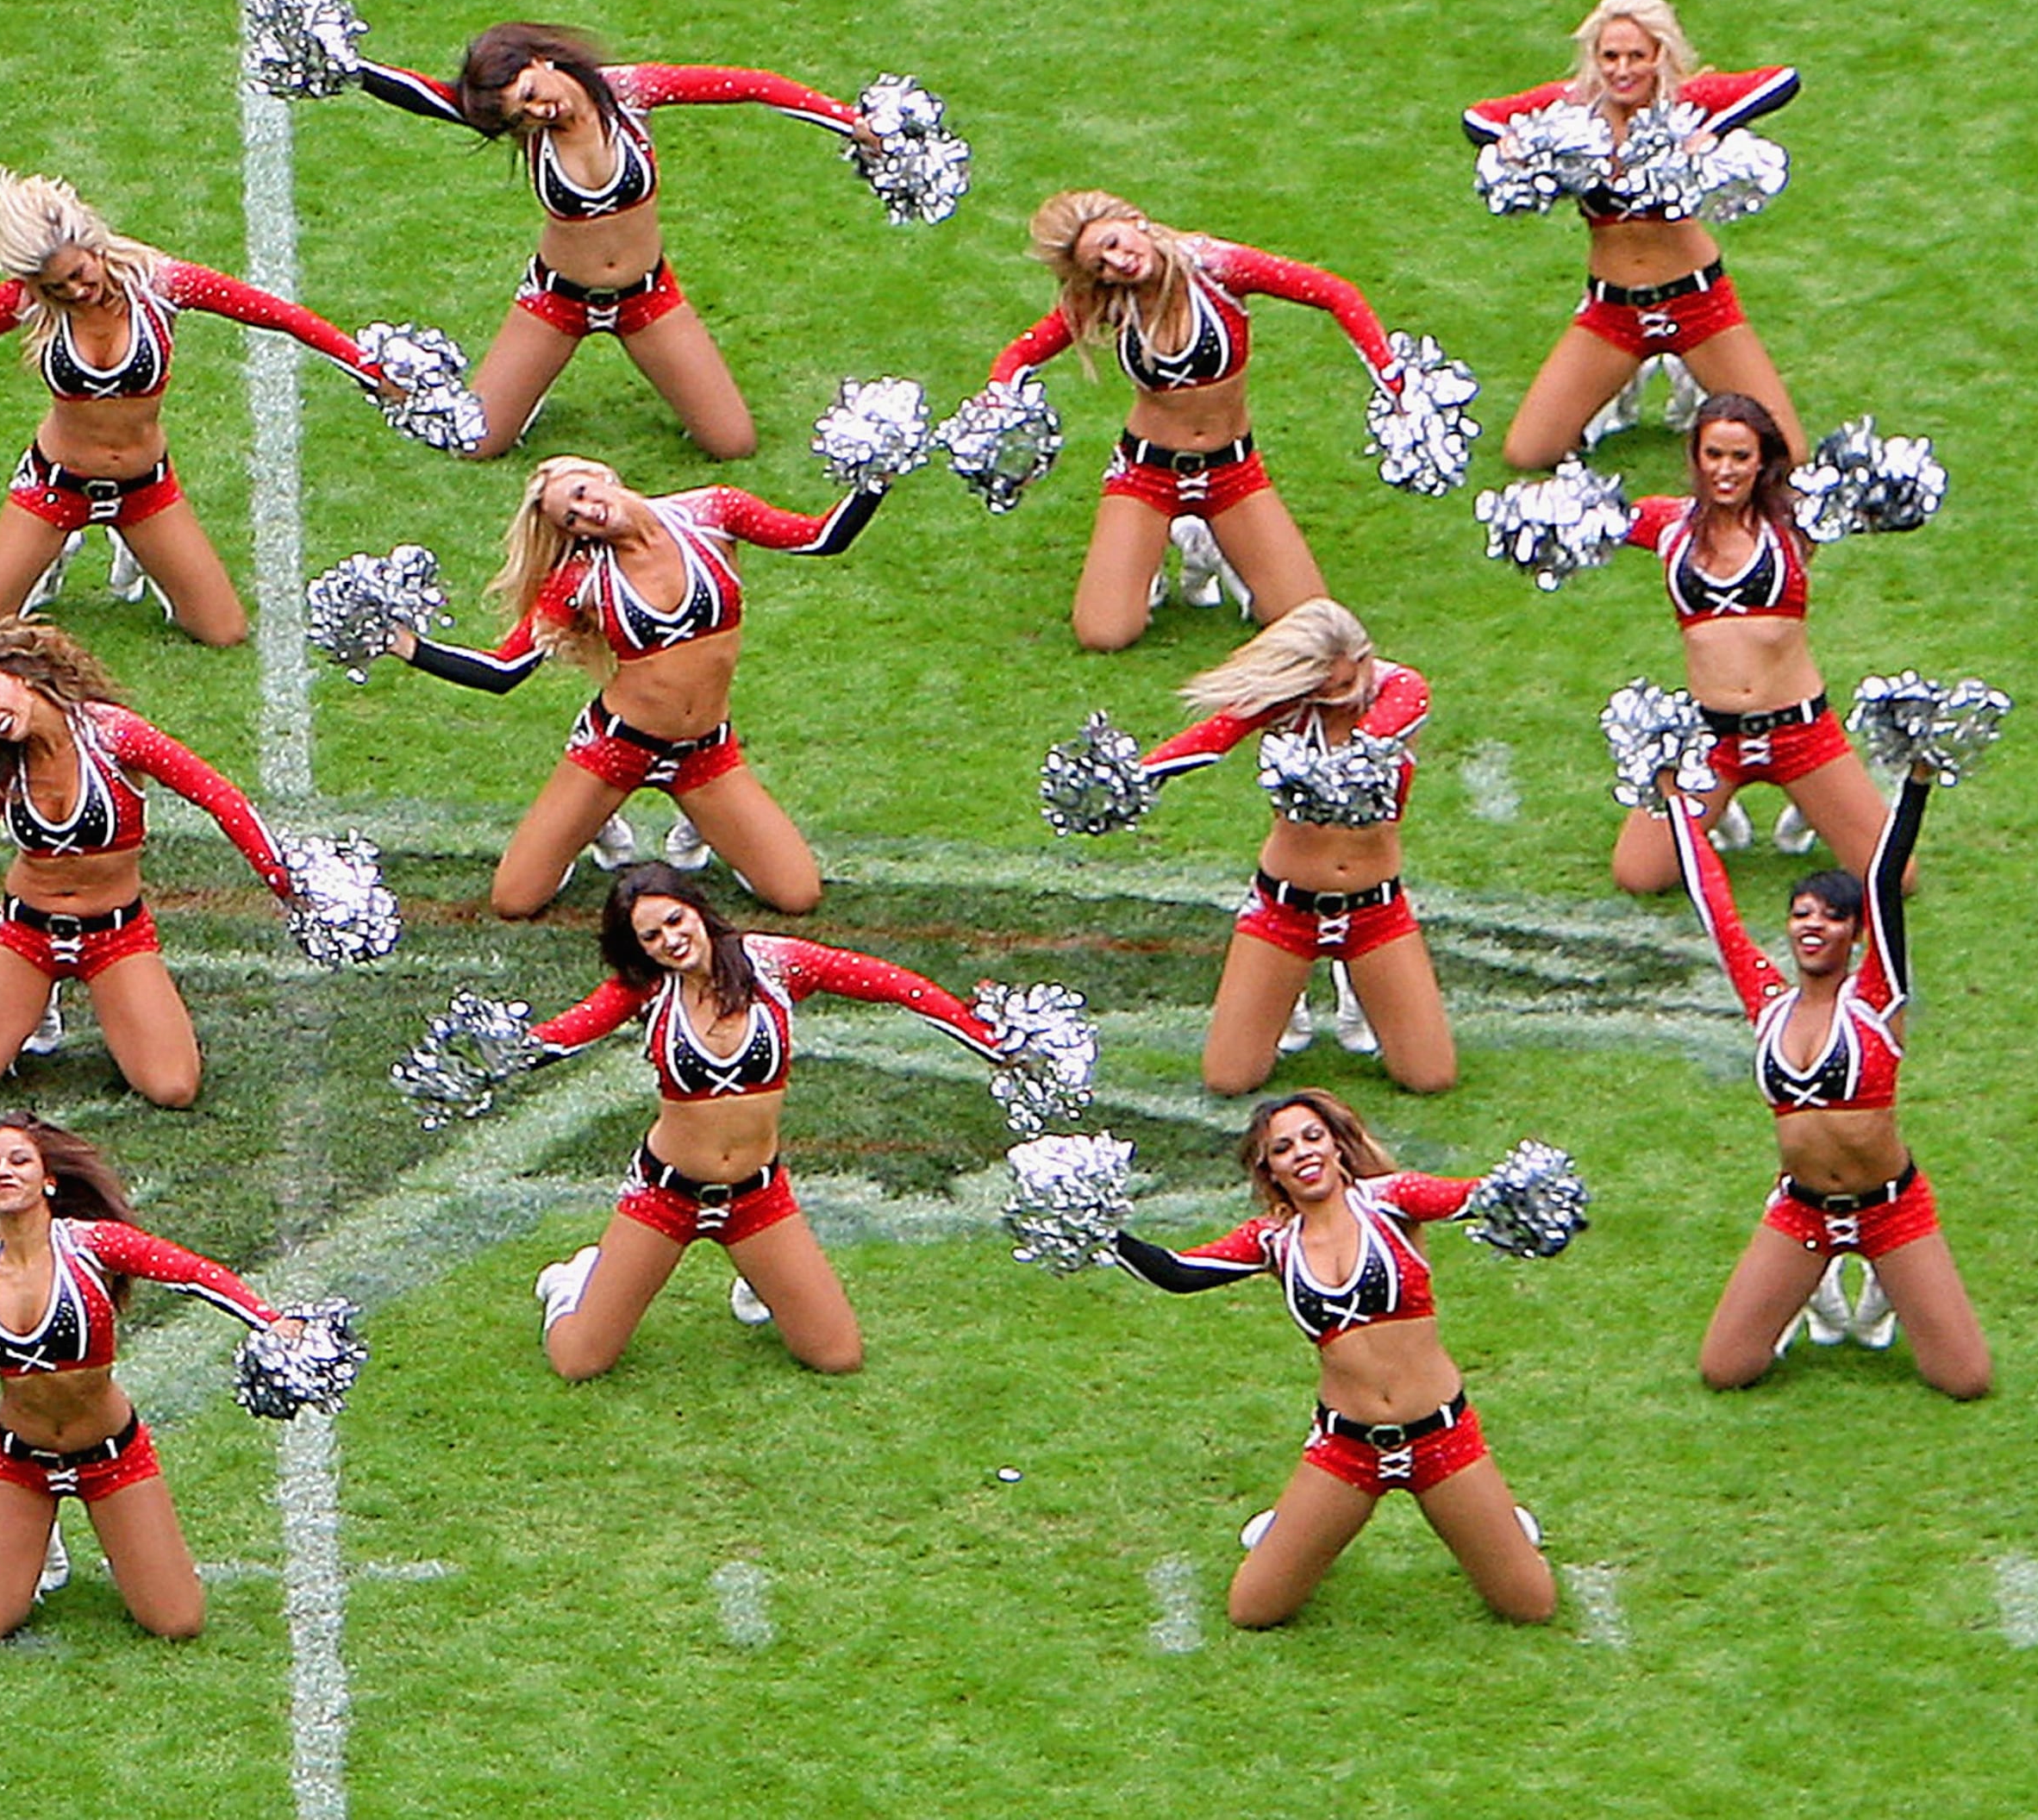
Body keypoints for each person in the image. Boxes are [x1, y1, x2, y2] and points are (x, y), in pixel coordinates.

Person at [0, 168, 397, 646]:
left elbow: (274, 313)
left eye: (77, 275)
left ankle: (128, 541)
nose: (75, 292)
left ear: (91, 242)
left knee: (222, 632)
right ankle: (57, 544)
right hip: (55, 485)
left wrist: (366, 367)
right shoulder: (25, 304)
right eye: (55, 288)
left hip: (146, 487)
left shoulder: (161, 286)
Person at [522, 865, 1032, 1379]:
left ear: (697, 909)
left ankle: (761, 1277)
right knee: (579, 1363)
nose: (671, 940)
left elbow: (888, 983)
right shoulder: (647, 991)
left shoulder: (773, 964)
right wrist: (486, 1060)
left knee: (837, 1356)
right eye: (651, 936)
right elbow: (563, 1034)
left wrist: (985, 1038)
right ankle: (574, 1283)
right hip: (665, 1197)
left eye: (676, 921)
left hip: (757, 1197)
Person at [1111, 1090, 1558, 1629]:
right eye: (1282, 1148)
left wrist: (1522, 1191)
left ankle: (1501, 1525)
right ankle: (1290, 1526)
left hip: (1442, 1438)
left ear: (1338, 1147)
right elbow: (1178, 1272)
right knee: (1253, 1610)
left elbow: (1472, 1197)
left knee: (1530, 1606)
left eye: (1312, 1137)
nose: (1301, 1152)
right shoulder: (1273, 1240)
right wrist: (1100, 1231)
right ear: (1270, 1170)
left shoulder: (1394, 1200)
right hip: (1347, 1448)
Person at [330, 22, 877, 459]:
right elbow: (422, 94)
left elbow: (752, 86)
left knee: (733, 444)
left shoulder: (631, 93)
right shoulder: (526, 126)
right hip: (556, 301)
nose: (540, 111)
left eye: (532, 94)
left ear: (541, 61)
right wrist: (346, 64)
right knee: (476, 442)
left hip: (648, 298)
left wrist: (849, 121)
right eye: (523, 116)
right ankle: (524, 394)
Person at [382, 454, 879, 915]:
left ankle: (701, 827)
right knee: (514, 900)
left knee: (797, 896)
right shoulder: (578, 579)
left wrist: (875, 477)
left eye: (580, 492)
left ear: (604, 476)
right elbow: (503, 672)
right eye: (569, 519)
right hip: (616, 747)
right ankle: (595, 824)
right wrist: (403, 644)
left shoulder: (713, 513)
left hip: (706, 751)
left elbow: (820, 538)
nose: (584, 512)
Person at [0, 1114, 294, 1642]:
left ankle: (83, 1539)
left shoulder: (90, 1245)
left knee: (177, 1623)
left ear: (48, 1179)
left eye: (19, 1160)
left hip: (111, 1459)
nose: (3, 1171)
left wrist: (272, 1321)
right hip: (20, 1464)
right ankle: (37, 1539)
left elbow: (190, 1272)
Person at [1666, 763, 1988, 1397]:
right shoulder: (1769, 1004)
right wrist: (1677, 800)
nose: (1813, 926)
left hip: (1891, 1209)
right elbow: (1716, 908)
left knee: (1965, 1380)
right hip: (1802, 1210)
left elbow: (1885, 877)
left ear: (1854, 932)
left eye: (1831, 917)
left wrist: (1916, 784)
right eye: (1801, 914)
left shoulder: (1876, 998)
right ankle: (1809, 1288)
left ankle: (1881, 1285)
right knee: (1726, 1370)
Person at [982, 192, 1406, 650]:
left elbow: (1332, 292)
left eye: (1114, 242)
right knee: (1104, 634)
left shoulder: (1217, 267)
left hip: (1233, 471)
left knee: (1310, 624)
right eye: (1100, 265)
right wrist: (1000, 403)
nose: (1117, 263)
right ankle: (1149, 563)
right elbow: (1022, 353)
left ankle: (1210, 544)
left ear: (1134, 221)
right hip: (1146, 474)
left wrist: (1393, 379)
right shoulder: (1109, 300)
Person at [0, 617, 300, 1108]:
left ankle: (109, 1010)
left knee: (172, 1088)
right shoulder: (3, 761)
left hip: (116, 935)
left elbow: (218, 797)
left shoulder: (116, 736)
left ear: (24, 677)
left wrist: (285, 884)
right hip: (26, 933)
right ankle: (34, 1002)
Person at [1464, 0, 1804, 470]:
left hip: (1698, 304)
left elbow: (1782, 81)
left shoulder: (1684, 102)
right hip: (1612, 313)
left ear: (1660, 55)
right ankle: (1612, 401)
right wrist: (1516, 143)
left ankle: (1693, 398)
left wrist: (1714, 129)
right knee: (1528, 453)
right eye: (1610, 56)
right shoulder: (1571, 110)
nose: (1623, 70)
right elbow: (1476, 118)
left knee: (1784, 454)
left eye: (1637, 56)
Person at [1129, 600, 1452, 1094]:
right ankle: (1286, 994)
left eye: (1348, 683)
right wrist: (1136, 779)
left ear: (1366, 658)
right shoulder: (1289, 705)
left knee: (1430, 1078)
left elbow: (1377, 735)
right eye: (1324, 691)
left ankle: (1356, 983)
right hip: (1284, 909)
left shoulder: (1402, 690)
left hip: (1376, 911)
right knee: (1229, 1080)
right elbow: (1211, 738)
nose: (1341, 699)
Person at [1591, 395, 1900, 894]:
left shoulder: (1798, 523)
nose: (1725, 470)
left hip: (1800, 732)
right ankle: (1719, 806)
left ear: (1763, 462)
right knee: (1639, 876)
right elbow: (1588, 518)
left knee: (1894, 879)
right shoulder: (1668, 524)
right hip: (1711, 739)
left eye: (1741, 457)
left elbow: (1880, 500)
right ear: (1695, 457)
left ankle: (1812, 804)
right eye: (1714, 455)